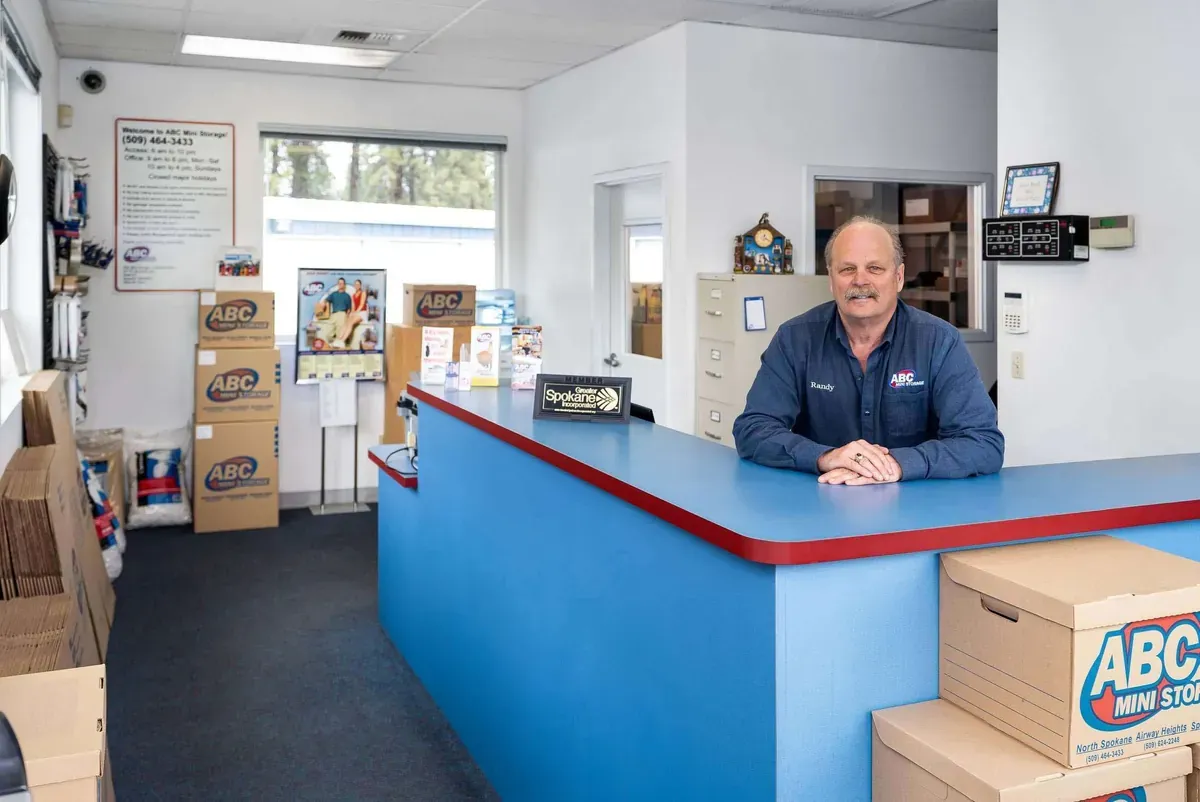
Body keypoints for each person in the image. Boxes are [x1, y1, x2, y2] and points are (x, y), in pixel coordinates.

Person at [732, 216, 1003, 485]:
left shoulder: (939, 341)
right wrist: (826, 457)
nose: (860, 280)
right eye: (847, 269)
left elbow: (983, 442)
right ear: (831, 279)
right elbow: (753, 429)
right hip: (820, 501)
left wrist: (895, 465)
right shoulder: (795, 339)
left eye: (874, 268)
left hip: (917, 506)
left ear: (898, 277)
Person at [317, 278, 353, 349]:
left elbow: (349, 309)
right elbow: (326, 300)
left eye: (342, 283)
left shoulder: (347, 296)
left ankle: (339, 349)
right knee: (328, 333)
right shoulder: (333, 294)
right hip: (333, 315)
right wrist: (323, 303)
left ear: (344, 285)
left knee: (339, 334)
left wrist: (347, 318)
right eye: (339, 283)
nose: (340, 284)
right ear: (337, 284)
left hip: (342, 314)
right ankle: (335, 344)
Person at [334, 279, 368, 347]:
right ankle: (338, 340)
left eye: (358, 284)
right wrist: (351, 314)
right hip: (356, 312)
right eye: (355, 284)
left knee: (351, 323)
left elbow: (361, 304)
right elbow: (353, 307)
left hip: (362, 313)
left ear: (360, 285)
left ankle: (342, 341)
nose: (356, 286)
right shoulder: (353, 295)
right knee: (346, 322)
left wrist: (355, 313)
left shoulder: (363, 293)